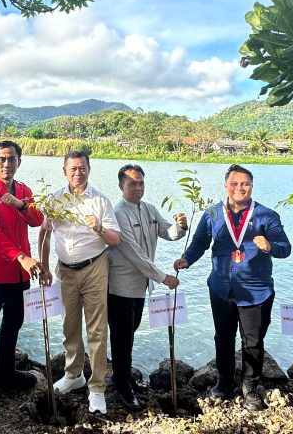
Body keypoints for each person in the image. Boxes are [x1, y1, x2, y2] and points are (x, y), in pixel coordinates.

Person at [174, 164, 290, 411]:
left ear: (252, 186)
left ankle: (250, 386)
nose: (240, 188)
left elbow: (285, 248)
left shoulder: (266, 215)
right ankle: (224, 382)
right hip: (221, 288)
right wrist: (186, 259)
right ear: (226, 186)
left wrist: (269, 245)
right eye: (235, 184)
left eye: (245, 183)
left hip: (256, 290)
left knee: (253, 341)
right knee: (223, 338)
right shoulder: (213, 214)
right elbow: (199, 244)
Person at [39, 150, 121, 415]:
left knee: (97, 330)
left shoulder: (101, 200)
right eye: (73, 168)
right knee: (69, 326)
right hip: (64, 271)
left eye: (82, 167)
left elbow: (115, 239)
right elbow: (45, 233)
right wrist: (43, 266)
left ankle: (97, 388)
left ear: (89, 169)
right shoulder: (55, 199)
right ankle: (74, 375)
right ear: (65, 171)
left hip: (95, 268)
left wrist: (98, 227)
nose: (78, 172)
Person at [0, 140, 46, 419]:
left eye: (11, 159)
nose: (6, 164)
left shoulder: (24, 191)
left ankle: (5, 374)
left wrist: (21, 205)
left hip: (19, 275)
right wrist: (20, 256)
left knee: (13, 325)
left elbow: (37, 220)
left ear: (19, 162)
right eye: (1, 159)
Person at [108, 164, 185, 410]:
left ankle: (124, 376)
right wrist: (164, 277)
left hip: (141, 287)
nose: (138, 187)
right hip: (120, 287)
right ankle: (121, 385)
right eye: (132, 183)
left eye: (140, 182)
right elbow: (134, 253)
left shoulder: (149, 209)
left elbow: (168, 233)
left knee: (130, 334)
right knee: (122, 338)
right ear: (121, 186)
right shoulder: (118, 213)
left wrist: (181, 226)